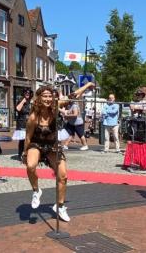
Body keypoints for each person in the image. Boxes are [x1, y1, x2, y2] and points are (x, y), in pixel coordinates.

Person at [24, 82, 95, 222]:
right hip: (36, 143)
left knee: (63, 175)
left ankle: (60, 206)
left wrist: (87, 85)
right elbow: (27, 137)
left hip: (52, 145)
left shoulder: (56, 107)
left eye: (50, 96)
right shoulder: (33, 117)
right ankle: (36, 191)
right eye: (45, 96)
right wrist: (25, 153)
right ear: (39, 98)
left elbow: (73, 96)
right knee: (31, 166)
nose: (48, 99)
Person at [13, 89, 32, 160]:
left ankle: (27, 153)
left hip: (29, 122)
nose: (27, 94)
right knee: (22, 139)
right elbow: (17, 109)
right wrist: (22, 101)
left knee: (29, 139)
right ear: (23, 93)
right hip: (22, 122)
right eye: (26, 93)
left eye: (29, 93)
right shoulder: (21, 100)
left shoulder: (30, 102)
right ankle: (20, 154)